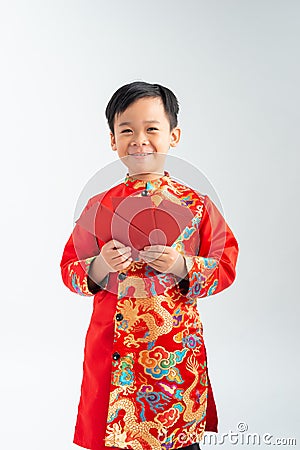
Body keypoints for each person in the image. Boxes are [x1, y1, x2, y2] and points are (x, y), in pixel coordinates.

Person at [60, 81, 239, 450]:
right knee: (113, 434)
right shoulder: (98, 206)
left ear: (173, 135)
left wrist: (182, 264)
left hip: (174, 353)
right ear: (112, 140)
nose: (139, 139)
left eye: (152, 129)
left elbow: (225, 264)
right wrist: (99, 266)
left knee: (179, 438)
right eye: (127, 130)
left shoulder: (197, 205)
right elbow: (68, 268)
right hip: (114, 348)